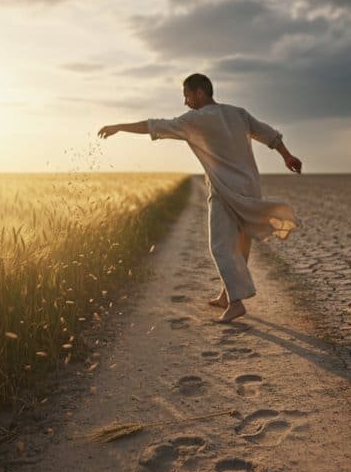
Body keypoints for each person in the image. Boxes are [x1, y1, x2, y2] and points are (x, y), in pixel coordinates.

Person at [98, 73, 302, 323]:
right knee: (240, 242)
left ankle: (236, 303)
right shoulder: (238, 113)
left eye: (187, 95)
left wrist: (119, 127)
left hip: (224, 189)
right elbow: (270, 135)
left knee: (219, 245)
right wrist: (287, 156)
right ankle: (227, 295)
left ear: (199, 93)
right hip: (249, 185)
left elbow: (153, 125)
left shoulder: (195, 120)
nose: (185, 102)